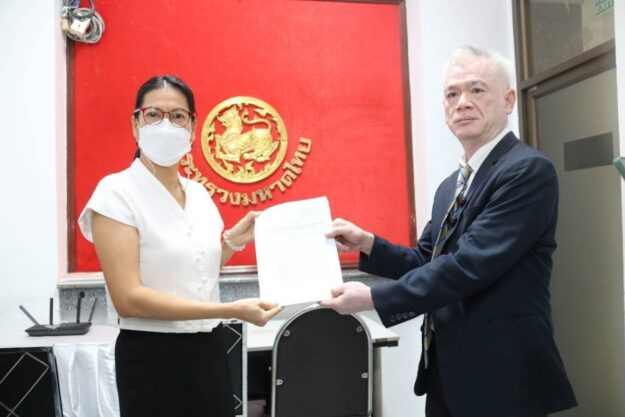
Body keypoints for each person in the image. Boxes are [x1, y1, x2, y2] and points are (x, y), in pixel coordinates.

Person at [321, 47, 577, 417]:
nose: (462, 103)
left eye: (477, 90)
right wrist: (369, 244)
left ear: (508, 101)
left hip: (504, 373)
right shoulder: (450, 186)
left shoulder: (526, 171)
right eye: (452, 94)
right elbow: (426, 260)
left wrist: (374, 298)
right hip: (447, 369)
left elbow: (468, 265)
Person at [78, 75, 282, 417]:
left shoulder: (198, 194)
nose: (165, 125)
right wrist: (228, 310)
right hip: (153, 358)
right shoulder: (115, 193)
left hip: (209, 351)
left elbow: (195, 270)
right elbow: (128, 299)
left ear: (193, 128)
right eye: (153, 115)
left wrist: (232, 241)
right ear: (135, 124)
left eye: (177, 116)